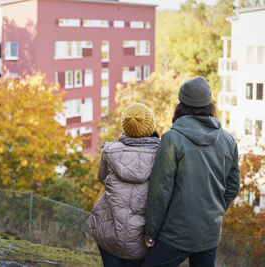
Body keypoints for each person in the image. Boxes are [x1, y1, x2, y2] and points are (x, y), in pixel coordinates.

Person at [143, 76, 240, 267]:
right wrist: (214, 212)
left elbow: (160, 192)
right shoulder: (228, 140)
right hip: (209, 232)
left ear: (181, 105)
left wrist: (151, 234)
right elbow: (233, 186)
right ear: (209, 105)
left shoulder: (172, 138)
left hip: (176, 233)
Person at [87, 103, 160, 267]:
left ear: (125, 127)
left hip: (110, 230)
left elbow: (102, 178)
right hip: (143, 238)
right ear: (150, 126)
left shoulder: (110, 151)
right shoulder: (163, 154)